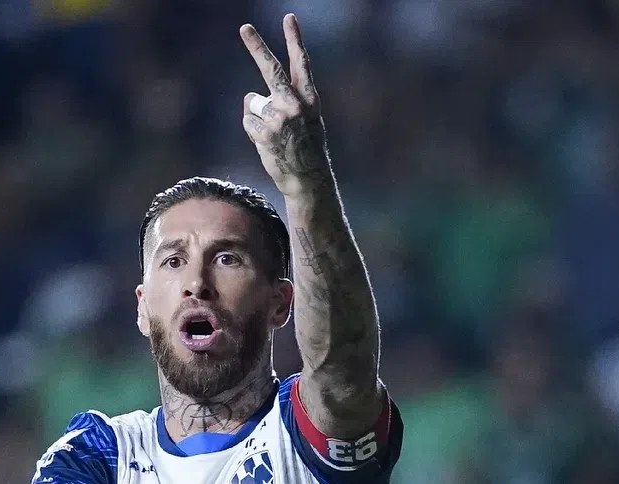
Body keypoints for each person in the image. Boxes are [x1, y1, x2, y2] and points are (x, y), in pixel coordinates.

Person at [31, 14, 403, 484]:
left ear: (280, 303)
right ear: (142, 308)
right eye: (174, 261)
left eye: (227, 258)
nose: (196, 283)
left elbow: (342, 373)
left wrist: (306, 183)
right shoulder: (100, 454)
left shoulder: (303, 433)